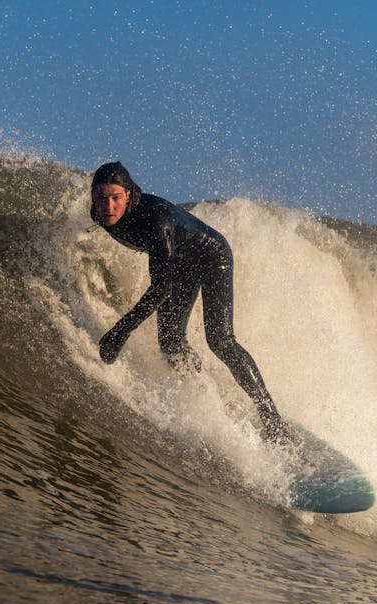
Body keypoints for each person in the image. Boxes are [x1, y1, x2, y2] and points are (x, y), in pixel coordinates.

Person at [89, 161, 290, 443]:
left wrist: (120, 331)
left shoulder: (155, 221)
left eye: (115, 198)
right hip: (180, 262)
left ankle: (273, 420)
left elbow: (160, 288)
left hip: (211, 257)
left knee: (220, 339)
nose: (108, 206)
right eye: (101, 198)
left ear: (129, 194)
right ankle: (206, 395)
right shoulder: (98, 214)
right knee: (171, 342)